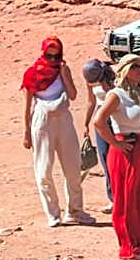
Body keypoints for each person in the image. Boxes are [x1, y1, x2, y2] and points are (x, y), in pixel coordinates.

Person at [92, 53, 140, 260]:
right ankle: (131, 246)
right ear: (125, 70)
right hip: (126, 150)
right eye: (135, 67)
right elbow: (99, 121)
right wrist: (116, 143)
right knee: (127, 199)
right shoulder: (117, 94)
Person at [21, 36, 95, 227]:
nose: (53, 60)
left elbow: (73, 95)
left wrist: (63, 73)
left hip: (64, 118)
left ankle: (75, 210)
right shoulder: (32, 73)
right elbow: (28, 105)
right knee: (44, 168)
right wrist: (26, 132)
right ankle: (53, 214)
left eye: (57, 56)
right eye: (49, 56)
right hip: (42, 120)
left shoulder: (63, 70)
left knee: (72, 167)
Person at [82, 58, 116, 214]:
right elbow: (91, 101)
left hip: (115, 114)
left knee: (119, 157)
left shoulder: (112, 76)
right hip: (100, 116)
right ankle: (113, 198)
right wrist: (86, 123)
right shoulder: (91, 80)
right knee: (105, 157)